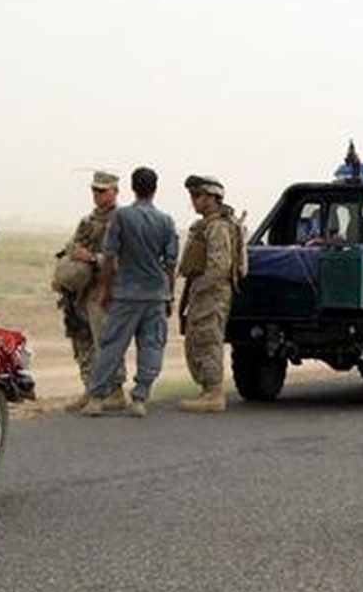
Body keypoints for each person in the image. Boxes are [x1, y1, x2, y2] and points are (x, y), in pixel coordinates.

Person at [81, 167, 179, 417]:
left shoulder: (122, 217)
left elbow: (111, 255)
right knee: (152, 345)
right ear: (154, 189)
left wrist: (104, 289)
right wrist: (169, 294)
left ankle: (97, 398)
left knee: (112, 345)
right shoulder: (166, 221)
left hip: (126, 293)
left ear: (133, 188)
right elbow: (170, 262)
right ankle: (140, 397)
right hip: (155, 294)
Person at [52, 170, 127, 411]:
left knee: (106, 340)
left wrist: (93, 258)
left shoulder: (122, 221)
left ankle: (115, 391)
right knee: (82, 339)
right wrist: (63, 276)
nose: (97, 195)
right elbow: (73, 247)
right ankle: (91, 388)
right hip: (82, 291)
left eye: (102, 191)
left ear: (115, 191)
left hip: (107, 289)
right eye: (94, 190)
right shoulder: (88, 221)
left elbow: (123, 259)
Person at [176, 175, 248, 412]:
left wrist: (202, 288)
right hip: (205, 291)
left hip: (212, 293)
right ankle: (208, 389)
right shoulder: (209, 224)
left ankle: (214, 393)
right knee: (199, 339)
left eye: (198, 196)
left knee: (208, 340)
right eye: (192, 196)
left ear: (213, 198)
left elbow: (220, 267)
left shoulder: (217, 227)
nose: (194, 201)